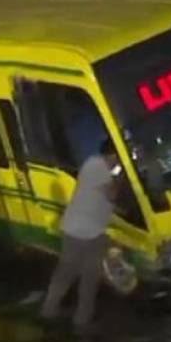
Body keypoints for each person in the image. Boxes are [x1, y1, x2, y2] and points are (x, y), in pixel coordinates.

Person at [41, 140, 122, 331]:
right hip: (82, 232)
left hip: (86, 230)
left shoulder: (94, 164)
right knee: (78, 274)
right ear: (113, 155)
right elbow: (112, 194)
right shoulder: (97, 166)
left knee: (83, 275)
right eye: (118, 157)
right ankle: (69, 317)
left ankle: (71, 316)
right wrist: (122, 175)